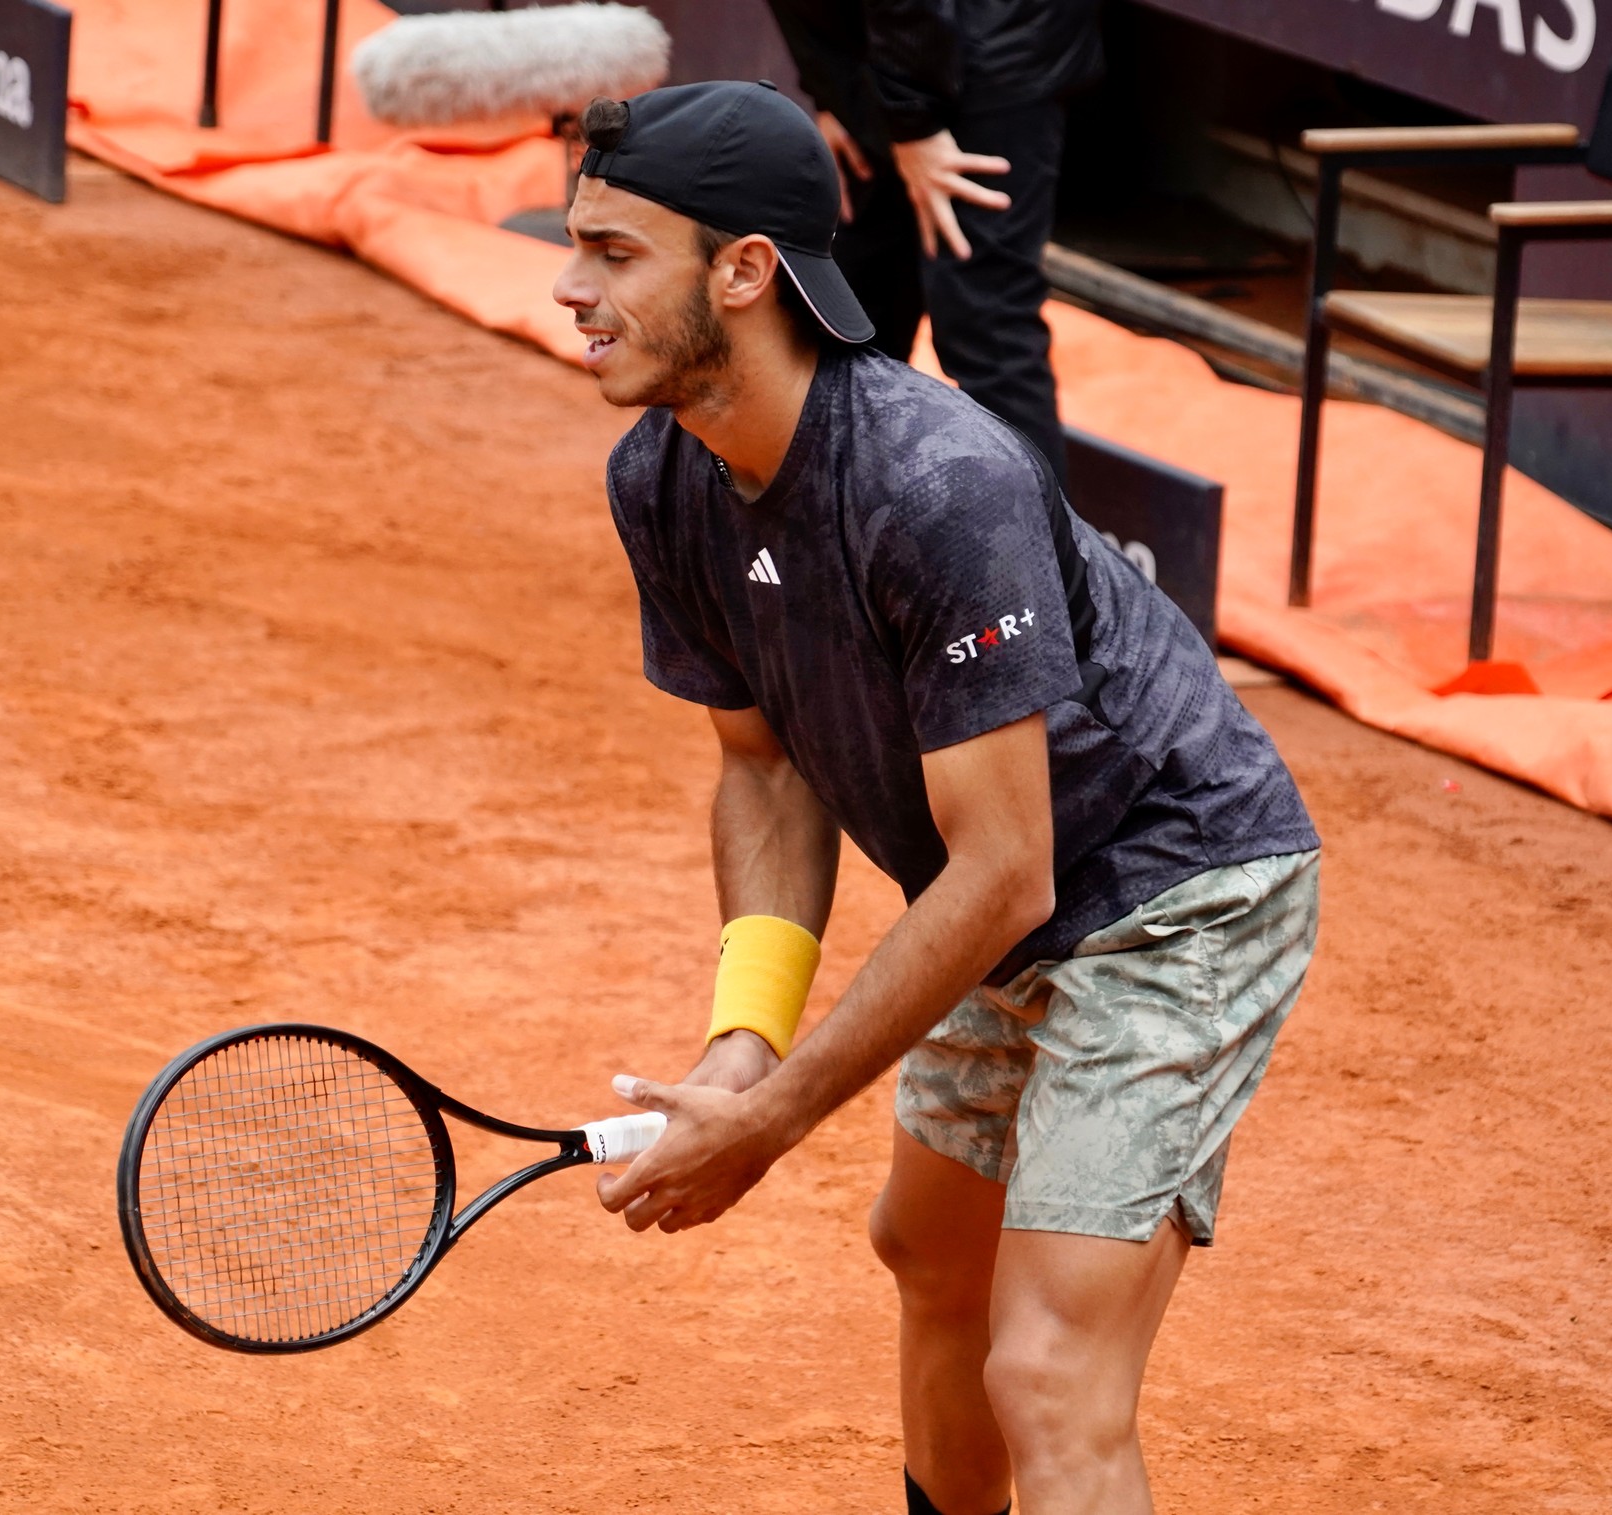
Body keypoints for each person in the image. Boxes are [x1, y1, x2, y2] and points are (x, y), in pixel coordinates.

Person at [554, 81, 1319, 1515]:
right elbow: (764, 765)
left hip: (1172, 888)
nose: (567, 284)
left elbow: (1008, 869)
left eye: (611, 252)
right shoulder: (663, 475)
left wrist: (775, 1115)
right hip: (1013, 888)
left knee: (1048, 1370)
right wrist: (744, 1039)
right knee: (930, 1257)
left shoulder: (935, 483)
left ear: (742, 270)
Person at [763, 0, 1104, 484]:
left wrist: (911, 121)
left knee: (985, 321)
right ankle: (834, 535)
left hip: (989, 51)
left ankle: (1036, 552)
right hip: (877, 63)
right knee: (847, 309)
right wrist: (833, 91)